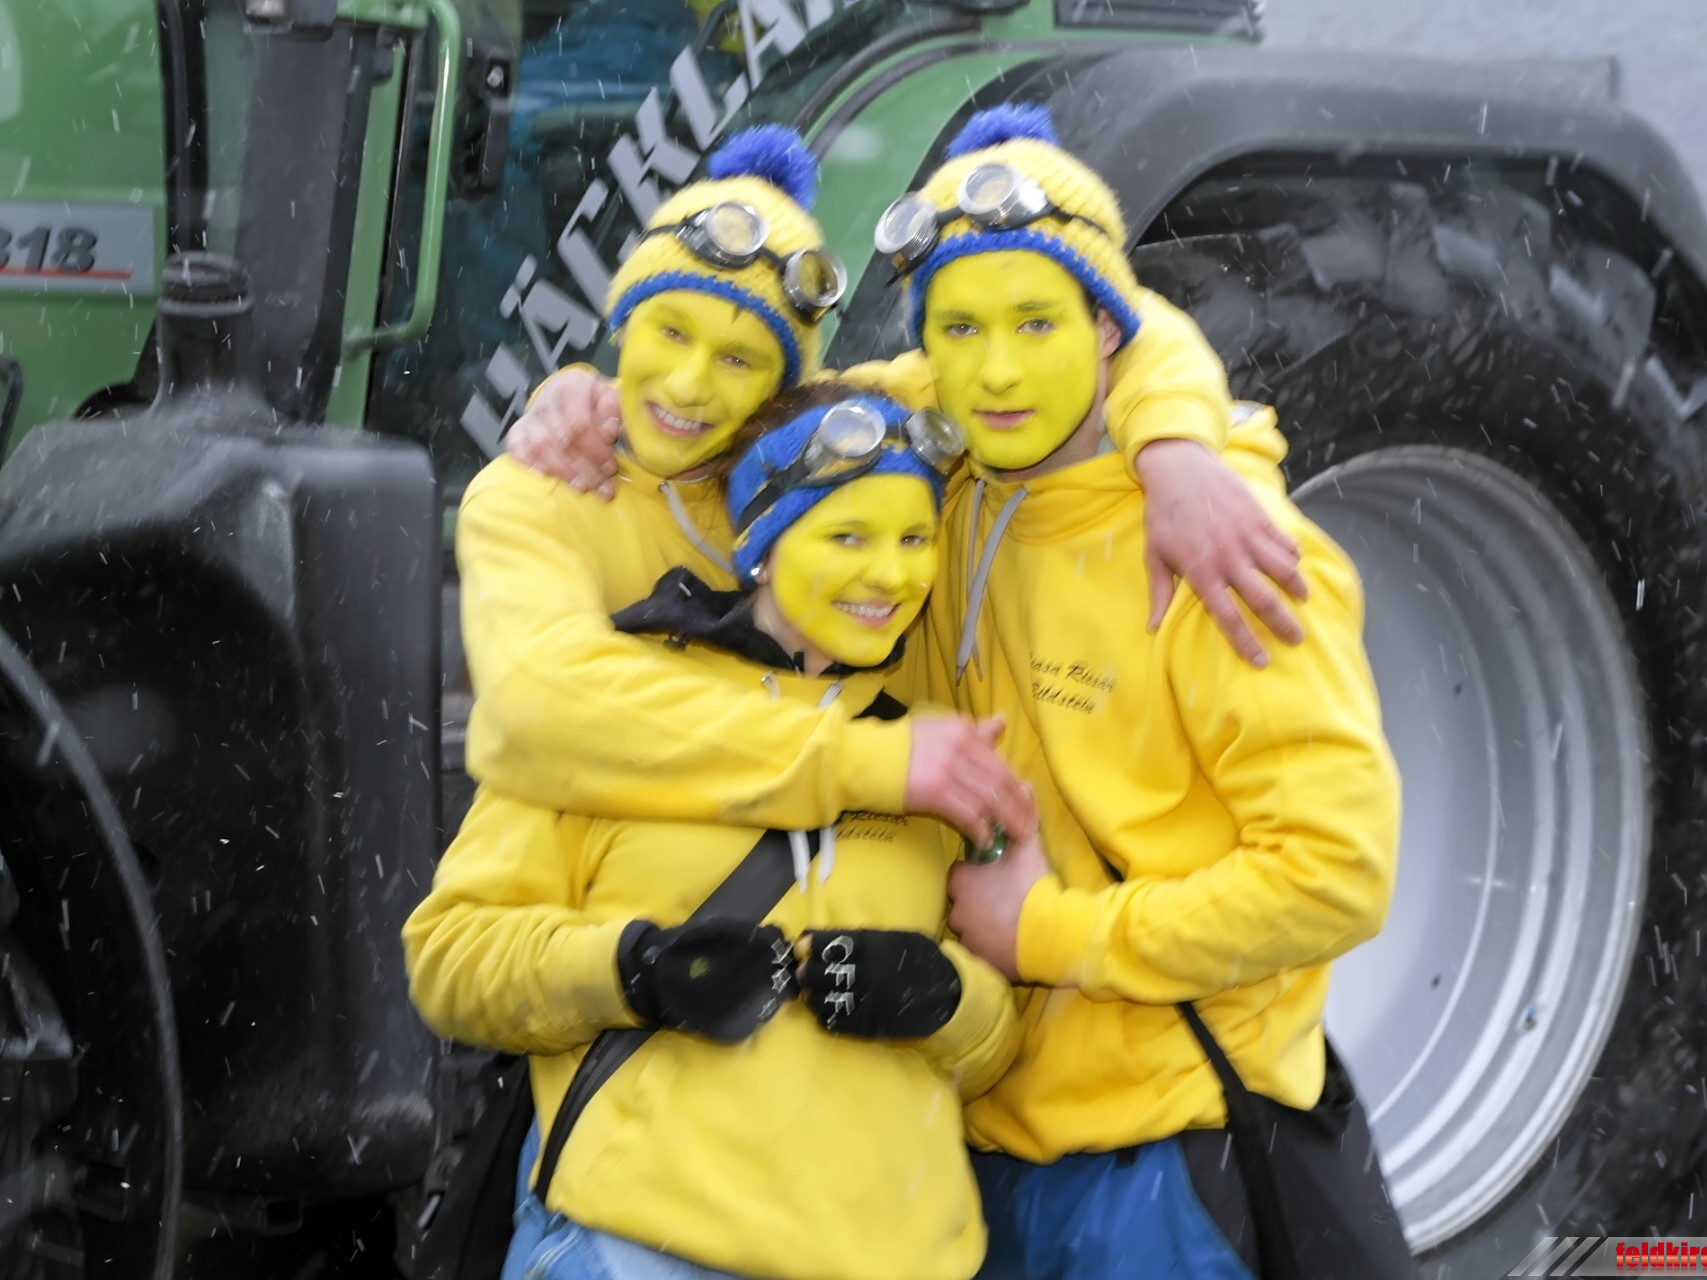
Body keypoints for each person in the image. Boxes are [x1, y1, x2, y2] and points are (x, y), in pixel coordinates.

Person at [459, 121, 1310, 870]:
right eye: (669, 333)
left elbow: (1112, 320)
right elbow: (544, 706)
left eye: (739, 359)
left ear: (786, 389)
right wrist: (879, 764)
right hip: (645, 893)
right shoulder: (541, 494)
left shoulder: (825, 451)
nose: (687, 385)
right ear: (620, 328)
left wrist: (1175, 449)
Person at [889, 105, 1414, 1279]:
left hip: (1162, 1169)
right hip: (979, 1144)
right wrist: (582, 412)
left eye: (1038, 322)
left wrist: (1050, 932)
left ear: (1108, 332)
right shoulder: (948, 490)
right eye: (961, 328)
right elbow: (736, 404)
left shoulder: (1226, 553)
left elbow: (1334, 871)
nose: (999, 369)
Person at [405, 383, 1023, 1280]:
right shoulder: (621, 712)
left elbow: (997, 1042)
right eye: (848, 537)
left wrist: (941, 996)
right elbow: (452, 960)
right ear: (764, 548)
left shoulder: (939, 751)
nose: (891, 576)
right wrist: (636, 970)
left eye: (914, 539)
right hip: (638, 1252)